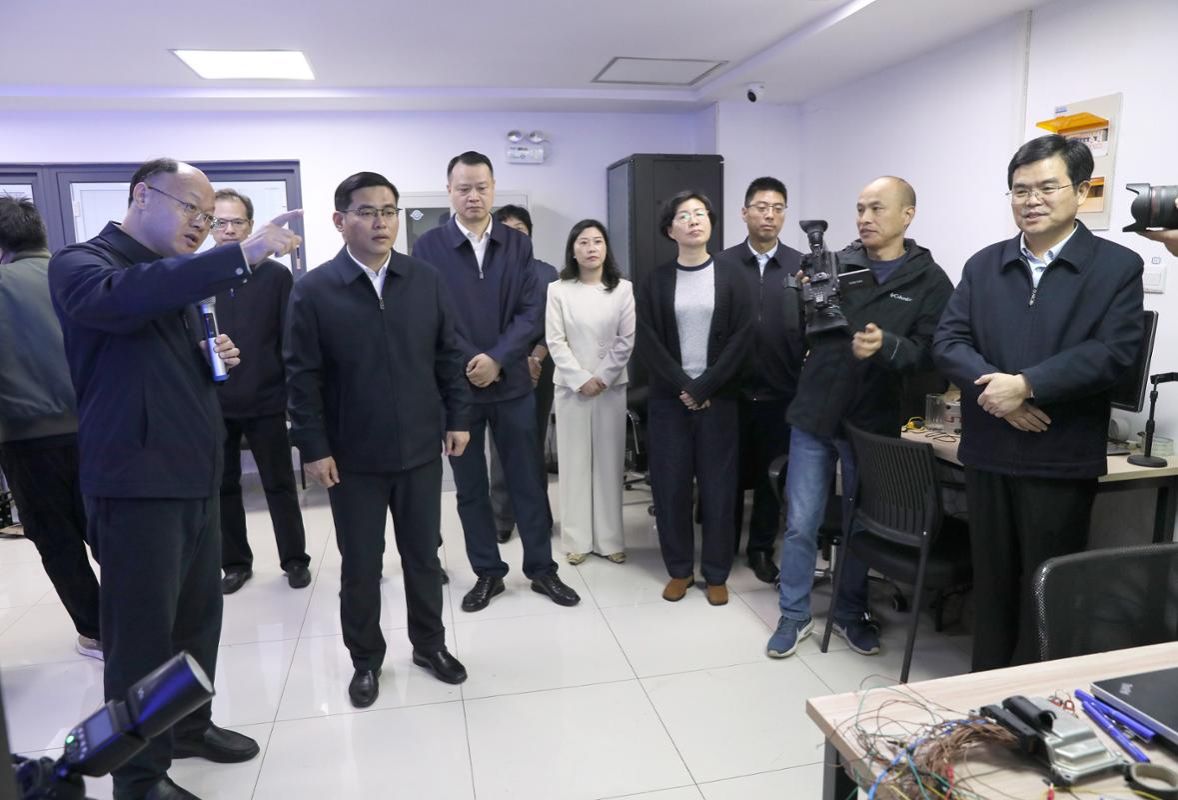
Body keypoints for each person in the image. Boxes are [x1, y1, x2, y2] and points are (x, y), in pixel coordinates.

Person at [49, 157, 301, 800]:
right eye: (192, 209)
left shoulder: (176, 281)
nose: (201, 224)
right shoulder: (84, 264)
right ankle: (138, 778)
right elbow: (125, 300)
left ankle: (188, 728)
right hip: (135, 485)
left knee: (197, 623)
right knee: (139, 640)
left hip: (192, 475)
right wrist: (242, 253)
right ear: (142, 195)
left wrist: (207, 357)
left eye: (209, 217)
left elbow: (150, 358)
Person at [934, 134, 1144, 671]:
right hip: (988, 451)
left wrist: (1027, 384)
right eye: (1020, 190)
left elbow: (1113, 352)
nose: (1031, 200)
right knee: (991, 587)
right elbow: (949, 342)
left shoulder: (1116, 266)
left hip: (1059, 457)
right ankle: (986, 695)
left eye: (1047, 187)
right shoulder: (985, 264)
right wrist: (1001, 394)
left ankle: (1037, 701)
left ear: (1081, 191)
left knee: (1048, 591)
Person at [286, 171, 471, 708]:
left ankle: (430, 646)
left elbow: (449, 355)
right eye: (367, 212)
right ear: (340, 220)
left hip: (419, 450)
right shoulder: (315, 290)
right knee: (361, 567)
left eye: (388, 211)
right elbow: (301, 376)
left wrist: (458, 418)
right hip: (353, 458)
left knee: (424, 557)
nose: (381, 222)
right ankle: (365, 660)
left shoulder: (425, 280)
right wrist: (314, 447)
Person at [767, 176, 953, 660]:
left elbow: (935, 355)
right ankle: (793, 613)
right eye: (859, 209)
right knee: (801, 521)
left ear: (907, 215)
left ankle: (850, 611)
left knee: (860, 523)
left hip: (873, 420)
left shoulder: (930, 281)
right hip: (816, 411)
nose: (864, 218)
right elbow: (800, 335)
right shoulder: (832, 265)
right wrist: (799, 299)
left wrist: (887, 346)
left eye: (876, 208)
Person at [412, 151, 579, 612]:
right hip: (458, 389)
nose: (473, 196)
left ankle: (542, 569)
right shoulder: (428, 247)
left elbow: (532, 311)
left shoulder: (517, 244)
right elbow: (431, 316)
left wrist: (499, 358)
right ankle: (488, 572)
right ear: (449, 191)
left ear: (493, 188)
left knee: (528, 480)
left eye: (481, 187)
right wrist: (474, 360)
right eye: (463, 188)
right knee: (470, 488)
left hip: (513, 386)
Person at [635, 190, 752, 607]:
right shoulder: (655, 281)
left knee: (719, 488)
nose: (693, 220)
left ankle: (716, 572)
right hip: (670, 401)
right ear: (671, 230)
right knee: (671, 487)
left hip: (719, 400)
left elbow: (742, 338)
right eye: (683, 215)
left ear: (711, 223)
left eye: (700, 213)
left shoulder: (732, 276)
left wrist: (705, 386)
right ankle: (680, 569)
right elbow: (648, 341)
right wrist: (686, 385)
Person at [0, 196, 102, 660]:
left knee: (57, 541)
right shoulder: (81, 275)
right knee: (110, 533)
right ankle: (142, 620)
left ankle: (97, 632)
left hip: (26, 439)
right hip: (100, 429)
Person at [209, 188, 311, 594]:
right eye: (220, 222)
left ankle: (295, 560)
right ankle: (235, 564)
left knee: (279, 484)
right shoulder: (198, 275)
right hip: (215, 403)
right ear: (210, 227)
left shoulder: (275, 276)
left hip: (266, 399)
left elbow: (289, 340)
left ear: (251, 226)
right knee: (223, 487)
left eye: (237, 222)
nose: (229, 230)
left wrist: (291, 399)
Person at [716, 177, 804, 585]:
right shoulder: (722, 264)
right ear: (744, 212)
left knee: (773, 477)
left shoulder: (800, 266)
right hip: (730, 391)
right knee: (727, 476)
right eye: (761, 207)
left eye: (778, 208)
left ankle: (761, 549)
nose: (770, 215)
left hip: (781, 391)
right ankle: (722, 545)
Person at [546, 219, 635, 563]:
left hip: (610, 386)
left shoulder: (622, 289)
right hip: (572, 387)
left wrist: (602, 376)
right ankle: (577, 540)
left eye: (597, 241)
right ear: (573, 249)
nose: (591, 248)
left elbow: (626, 340)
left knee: (609, 463)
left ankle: (610, 541)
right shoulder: (558, 290)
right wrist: (581, 378)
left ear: (606, 248)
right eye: (583, 242)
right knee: (574, 463)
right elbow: (555, 340)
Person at [487, 204, 559, 544]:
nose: (515, 236)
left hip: (539, 366)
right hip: (499, 368)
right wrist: (506, 359)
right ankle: (501, 516)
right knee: (500, 443)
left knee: (534, 440)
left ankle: (538, 514)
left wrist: (537, 356)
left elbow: (556, 322)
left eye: (521, 230)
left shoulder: (547, 273)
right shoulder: (485, 274)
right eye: (507, 230)